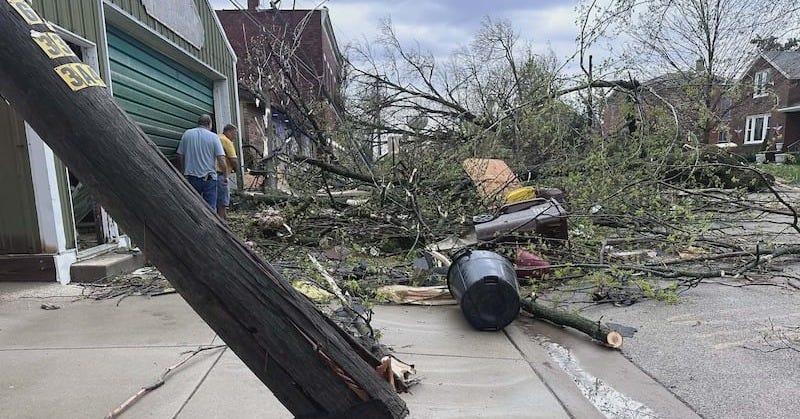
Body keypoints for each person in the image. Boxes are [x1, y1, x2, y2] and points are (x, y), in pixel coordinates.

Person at [177, 114, 227, 211]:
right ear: (210, 124)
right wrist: (225, 176)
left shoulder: (187, 134)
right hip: (209, 179)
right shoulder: (213, 137)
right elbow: (221, 158)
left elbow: (179, 155)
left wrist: (183, 171)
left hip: (191, 178)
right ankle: (211, 225)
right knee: (210, 208)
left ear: (198, 123)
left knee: (193, 205)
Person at [216, 124, 239, 219]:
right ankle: (221, 223)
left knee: (215, 201)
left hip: (211, 174)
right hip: (221, 174)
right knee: (222, 202)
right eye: (234, 134)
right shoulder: (226, 141)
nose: (235, 137)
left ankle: (223, 218)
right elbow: (233, 159)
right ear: (228, 132)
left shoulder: (217, 137)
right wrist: (237, 170)